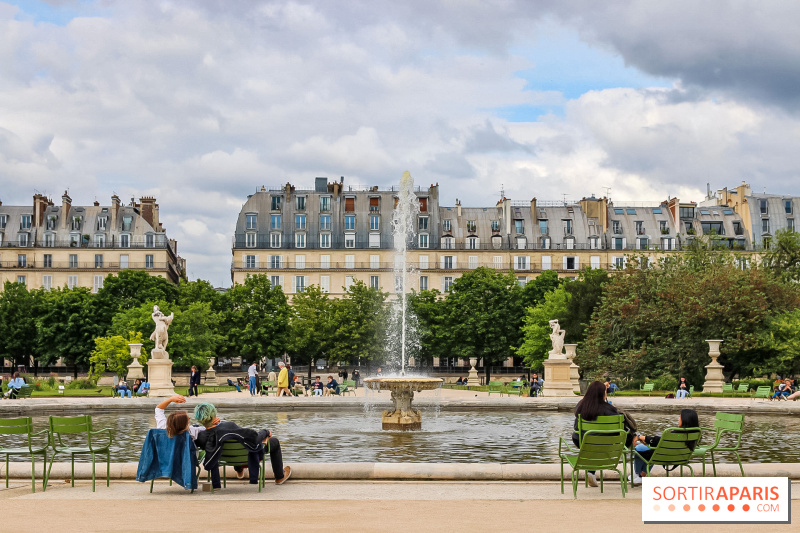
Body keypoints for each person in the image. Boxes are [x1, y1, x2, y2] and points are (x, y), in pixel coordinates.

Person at [193, 402, 291, 488]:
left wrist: (213, 426)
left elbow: (210, 431)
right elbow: (252, 438)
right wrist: (265, 432)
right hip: (247, 456)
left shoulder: (200, 436)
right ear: (213, 415)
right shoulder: (229, 426)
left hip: (224, 458)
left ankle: (239, 470)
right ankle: (279, 476)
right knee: (274, 442)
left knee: (233, 447)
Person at [572, 381, 635, 487]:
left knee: (590, 439)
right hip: (608, 447)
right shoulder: (611, 410)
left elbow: (576, 428)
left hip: (585, 444)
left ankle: (591, 471)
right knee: (628, 436)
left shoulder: (581, 408)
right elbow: (622, 431)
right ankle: (636, 474)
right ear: (604, 394)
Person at [631, 409, 700, 484]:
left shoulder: (675, 434)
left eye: (680, 417)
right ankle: (641, 475)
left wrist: (640, 436)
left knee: (640, 450)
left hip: (663, 457)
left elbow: (658, 441)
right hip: (681, 458)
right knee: (642, 448)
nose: (678, 419)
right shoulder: (696, 434)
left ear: (685, 419)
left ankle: (638, 474)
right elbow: (659, 442)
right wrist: (646, 440)